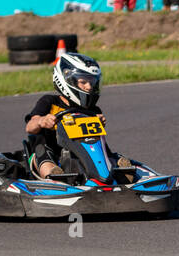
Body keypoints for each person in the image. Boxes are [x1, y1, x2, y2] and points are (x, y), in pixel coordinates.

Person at [24, 52, 129, 180]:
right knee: (43, 154)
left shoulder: (92, 109)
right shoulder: (49, 102)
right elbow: (30, 127)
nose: (89, 87)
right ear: (67, 80)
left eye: (92, 82)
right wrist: (41, 121)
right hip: (51, 151)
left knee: (102, 148)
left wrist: (98, 123)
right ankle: (54, 177)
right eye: (83, 82)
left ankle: (118, 168)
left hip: (78, 153)